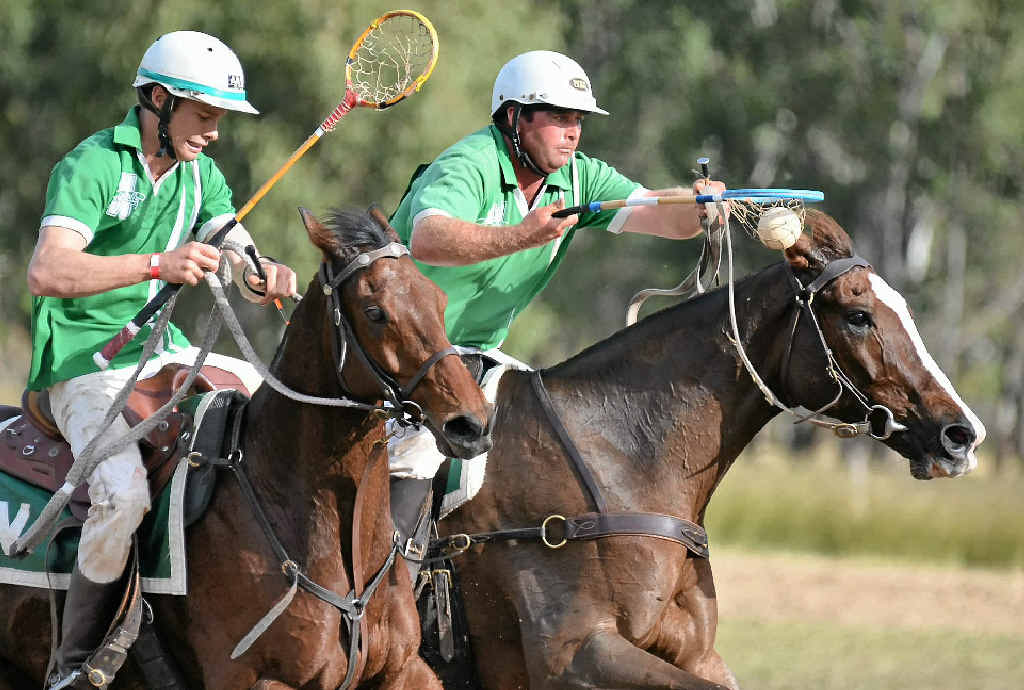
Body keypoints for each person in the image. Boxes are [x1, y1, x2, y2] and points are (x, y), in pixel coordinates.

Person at [26, 31, 297, 689]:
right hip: (84, 363)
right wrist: (155, 264)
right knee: (121, 495)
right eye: (204, 116)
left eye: (219, 120)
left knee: (283, 412)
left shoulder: (200, 173)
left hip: (162, 356)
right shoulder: (91, 165)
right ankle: (75, 664)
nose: (213, 133)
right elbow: (47, 270)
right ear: (157, 100)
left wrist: (261, 274)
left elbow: (231, 241)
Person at [386, 50, 727, 485]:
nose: (572, 134)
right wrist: (522, 235)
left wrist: (698, 207)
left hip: (474, 358)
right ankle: (401, 555)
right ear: (514, 117)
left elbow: (657, 213)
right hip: (396, 357)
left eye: (579, 121)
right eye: (560, 117)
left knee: (551, 440)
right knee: (416, 461)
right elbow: (428, 239)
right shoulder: (468, 164)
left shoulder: (581, 178)